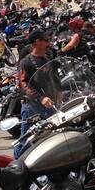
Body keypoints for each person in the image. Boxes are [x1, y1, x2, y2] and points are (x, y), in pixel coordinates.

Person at [15, 29, 59, 158]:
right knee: (26, 139)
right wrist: (41, 98)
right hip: (32, 107)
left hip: (50, 106)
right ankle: (15, 166)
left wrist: (60, 91)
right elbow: (23, 85)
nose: (48, 43)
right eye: (45, 40)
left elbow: (55, 78)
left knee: (51, 138)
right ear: (36, 42)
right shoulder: (26, 62)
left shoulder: (48, 59)